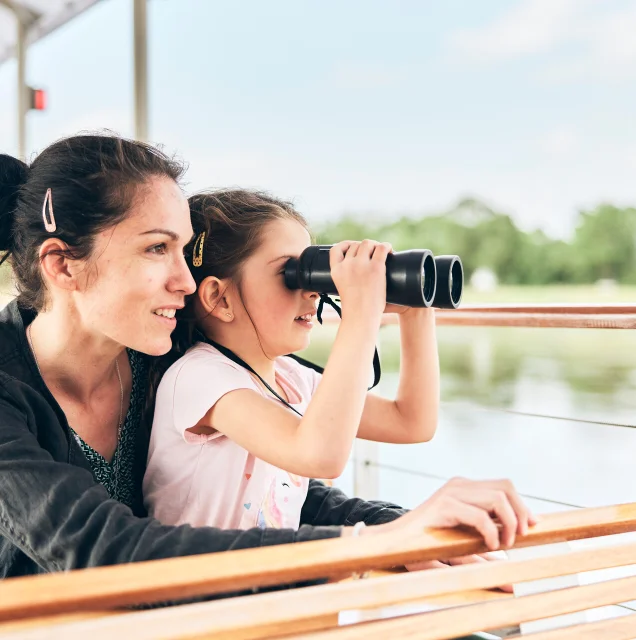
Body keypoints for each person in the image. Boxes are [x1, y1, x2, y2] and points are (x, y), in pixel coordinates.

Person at [0, 133, 535, 585]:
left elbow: (285, 495)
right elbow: (107, 550)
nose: (186, 283)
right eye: (156, 248)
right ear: (63, 265)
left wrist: (412, 530)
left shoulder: (157, 351)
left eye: (184, 251)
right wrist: (368, 545)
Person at [143, 189, 440, 532]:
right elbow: (318, 455)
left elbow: (412, 422)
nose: (313, 291)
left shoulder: (289, 378)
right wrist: (361, 315)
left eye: (311, 272)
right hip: (202, 580)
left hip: (265, 578)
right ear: (219, 298)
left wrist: (416, 311)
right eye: (290, 273)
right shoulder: (198, 377)